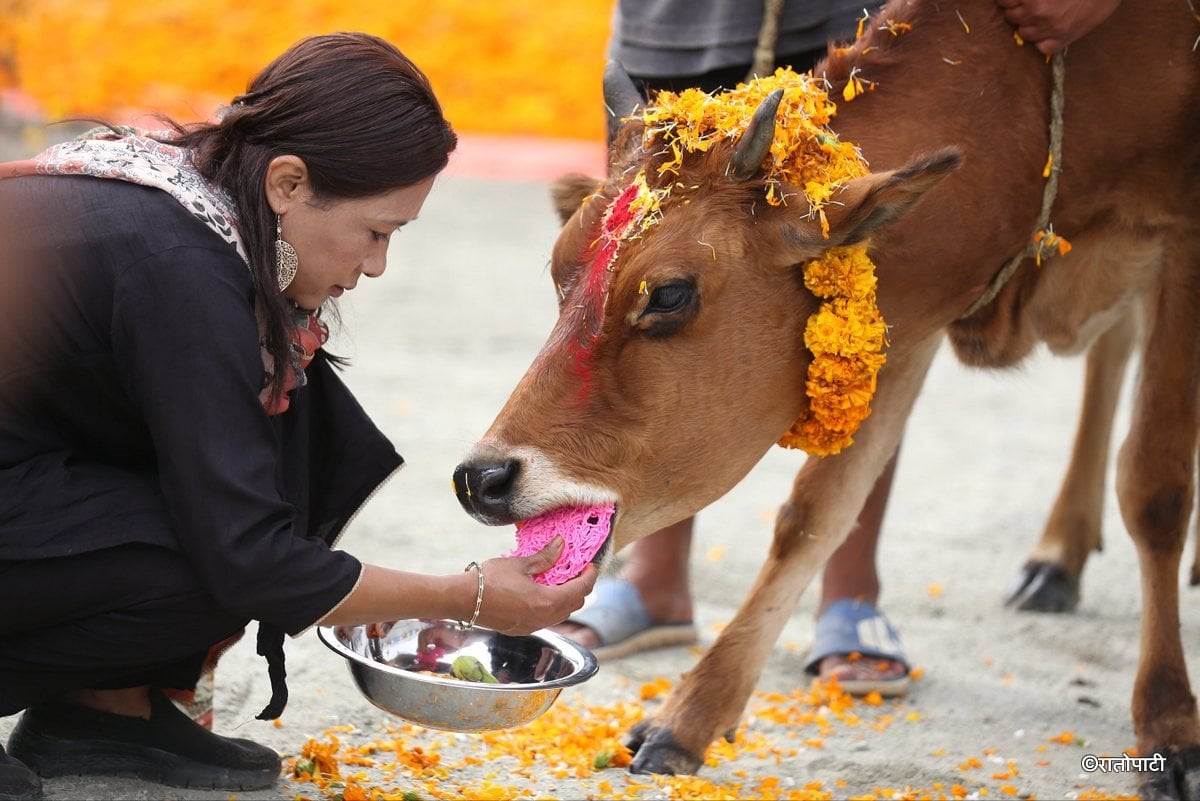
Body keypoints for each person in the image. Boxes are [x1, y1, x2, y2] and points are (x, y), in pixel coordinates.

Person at [0, 32, 595, 801]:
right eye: (378, 231)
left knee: (292, 444)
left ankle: (103, 709)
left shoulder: (198, 207)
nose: (377, 264)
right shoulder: (178, 264)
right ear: (287, 182)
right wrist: (469, 594)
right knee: (217, 557)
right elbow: (248, 555)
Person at [555, 0, 1123, 696]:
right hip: (674, 21)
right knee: (658, 277)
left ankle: (850, 591)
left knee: (852, 279)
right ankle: (653, 580)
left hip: (849, 19)